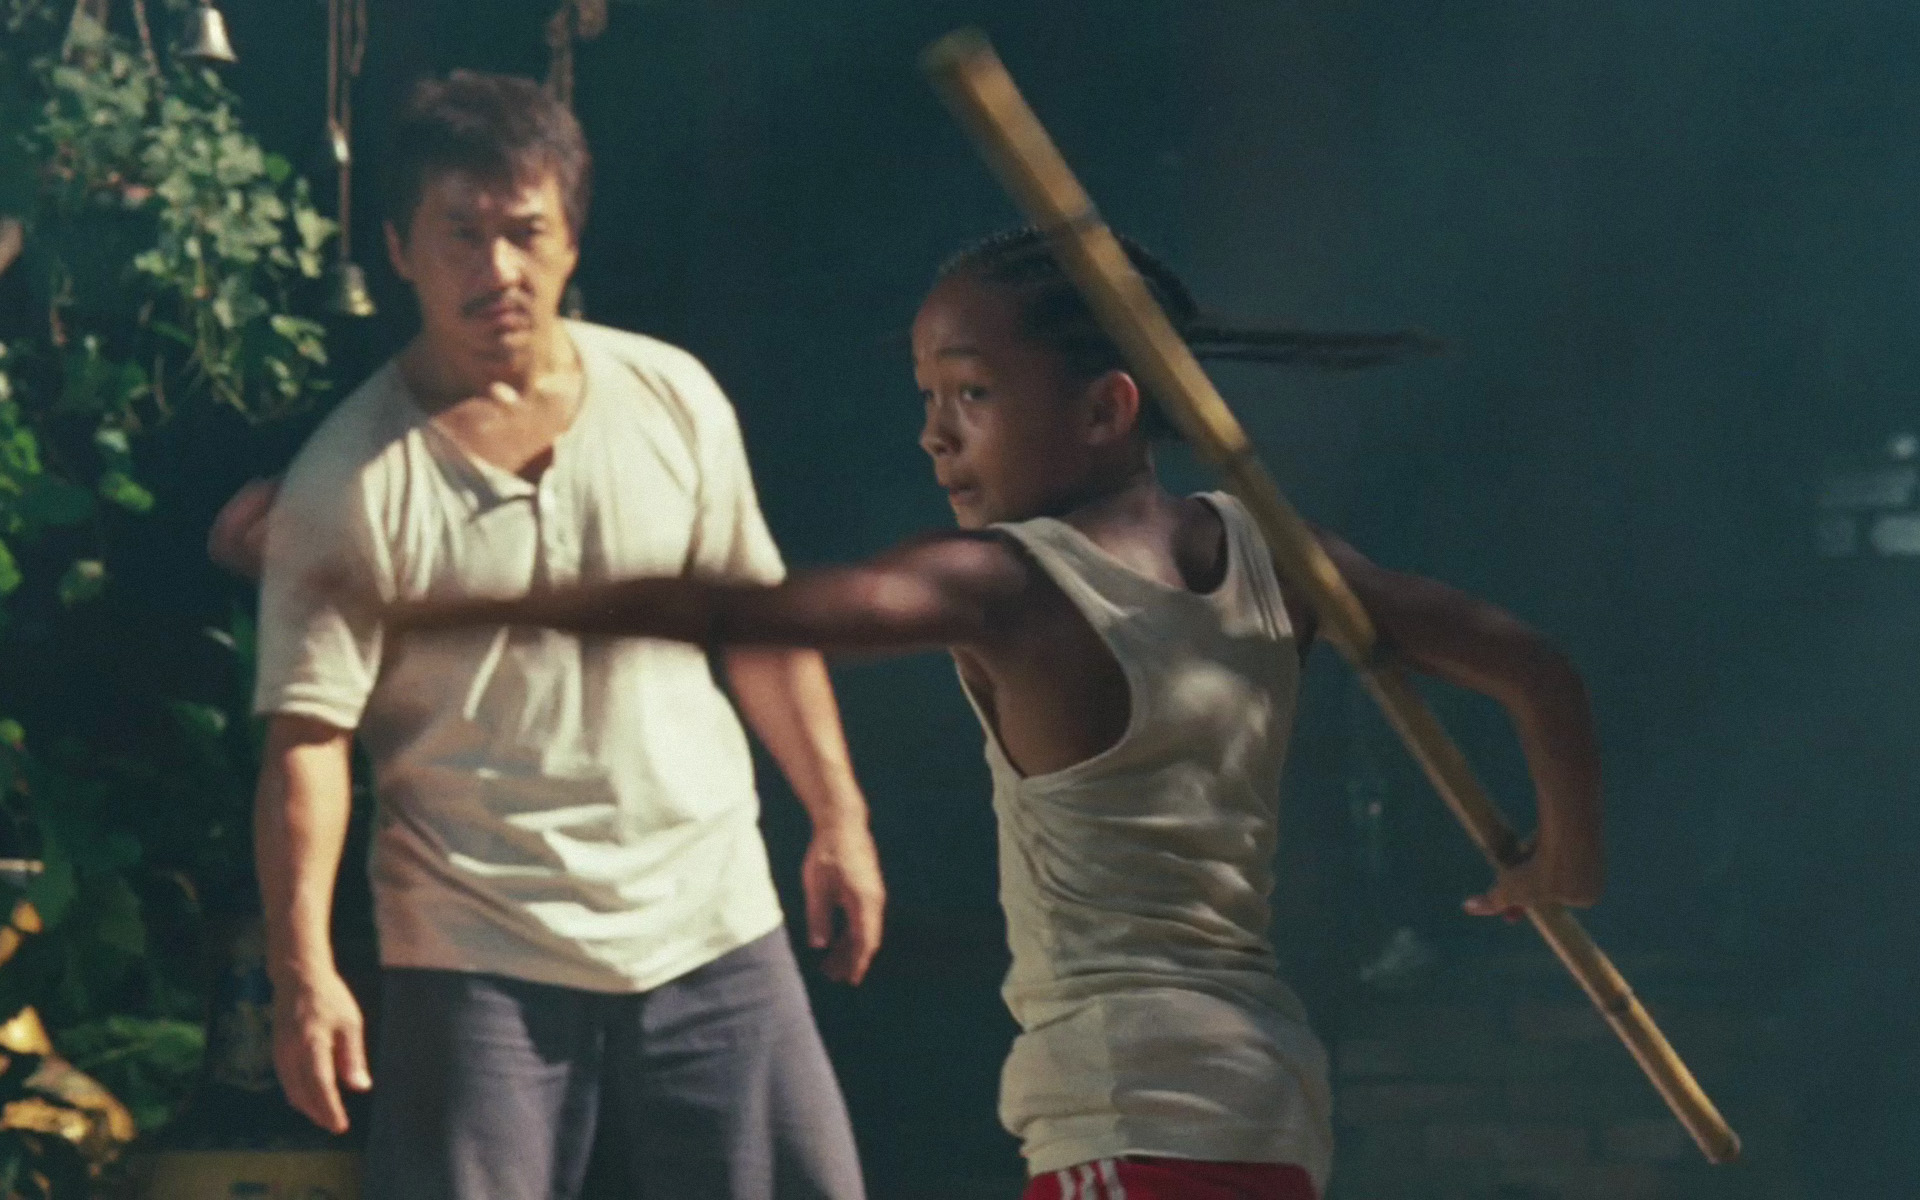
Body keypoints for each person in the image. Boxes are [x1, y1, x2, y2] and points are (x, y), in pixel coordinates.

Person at [381, 227, 1606, 1200]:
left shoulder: (1016, 585)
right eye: (928, 393)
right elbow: (1536, 667)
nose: (933, 433)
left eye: (971, 392)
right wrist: (1568, 861)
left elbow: (757, 610)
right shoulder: (1277, 559)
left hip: (1130, 1109)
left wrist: (471, 593)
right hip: (1267, 1098)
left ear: (1105, 410)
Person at [243, 71, 879, 1200]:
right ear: (398, 249)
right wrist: (307, 973)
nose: (497, 268)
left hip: (707, 916)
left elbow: (759, 630)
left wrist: (839, 816)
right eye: (461, 233)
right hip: (476, 945)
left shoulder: (672, 396)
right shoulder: (347, 479)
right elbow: (309, 740)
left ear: (571, 239)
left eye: (526, 231)